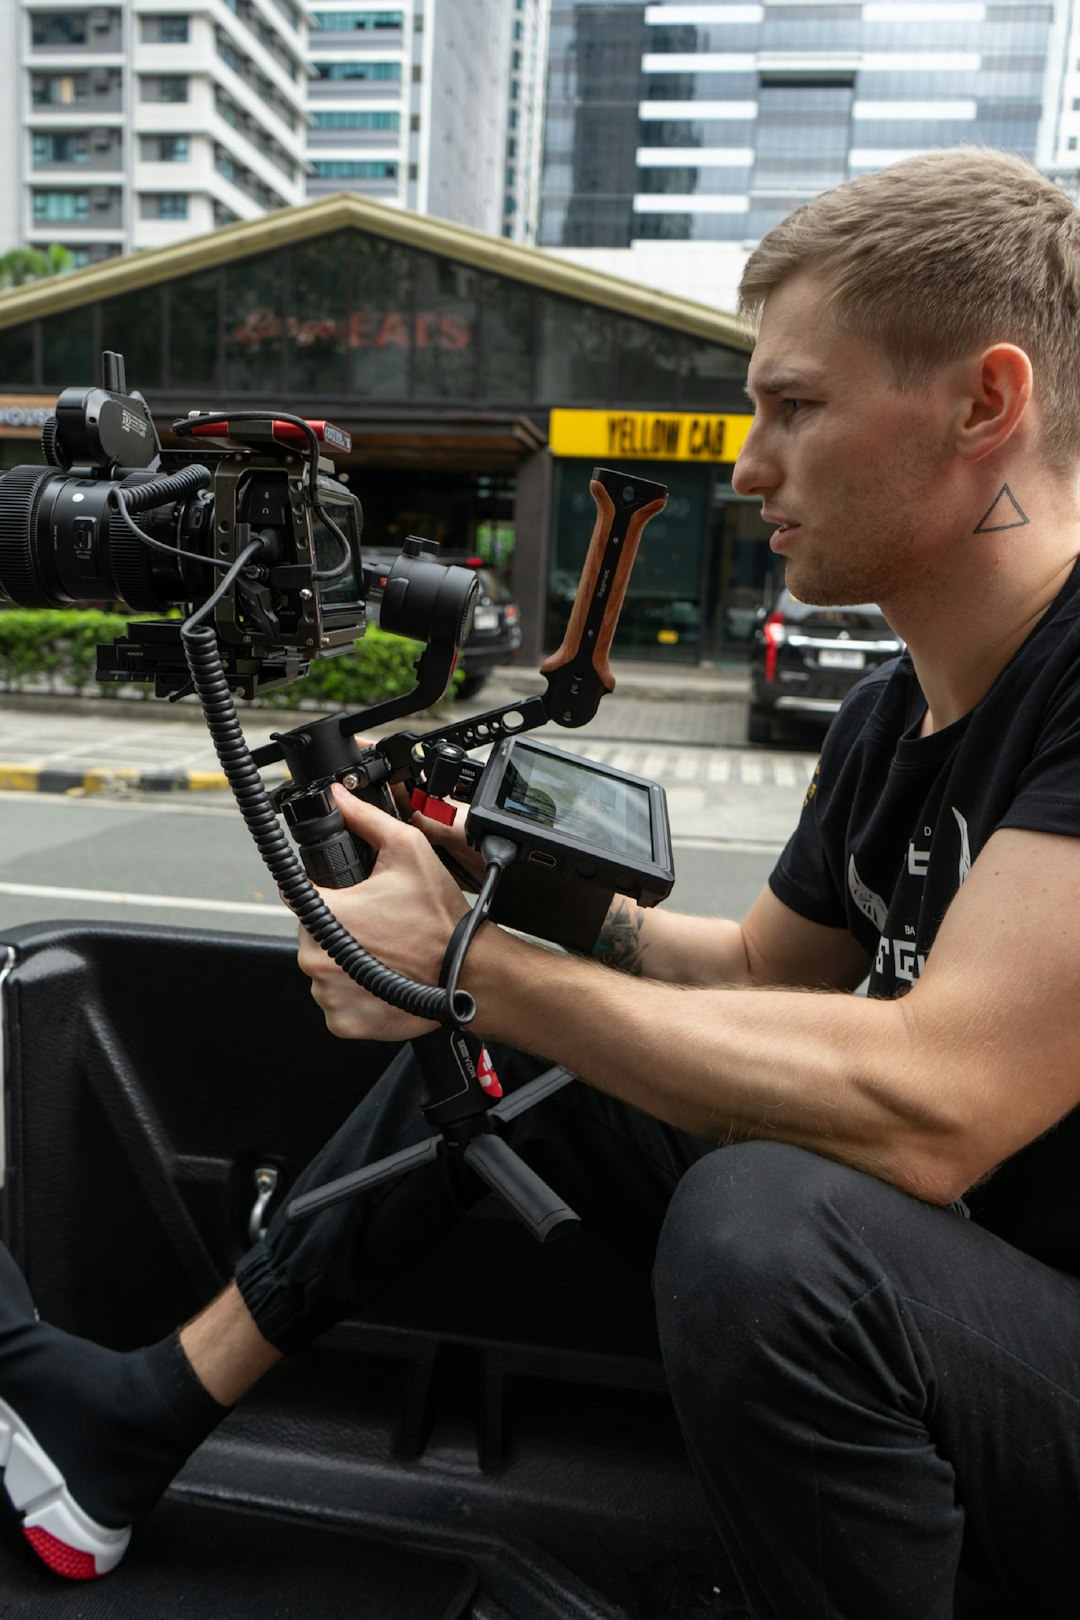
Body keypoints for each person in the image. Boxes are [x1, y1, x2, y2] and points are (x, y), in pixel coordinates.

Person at [3, 142, 1080, 1614]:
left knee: (767, 1226)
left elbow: (938, 1105)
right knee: (536, 1025)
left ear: (986, 403)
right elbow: (769, 979)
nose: (750, 465)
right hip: (965, 1306)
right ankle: (132, 1424)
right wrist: (499, 904)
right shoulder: (898, 712)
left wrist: (467, 963)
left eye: (796, 408)